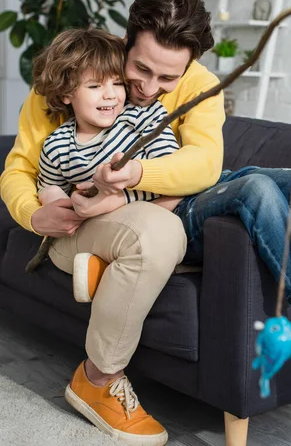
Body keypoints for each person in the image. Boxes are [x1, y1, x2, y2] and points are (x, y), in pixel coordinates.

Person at [0, 0, 291, 445]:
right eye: (140, 70)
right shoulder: (79, 76)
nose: (147, 89)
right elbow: (24, 166)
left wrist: (131, 180)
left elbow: (204, 165)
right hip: (126, 213)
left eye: (167, 79)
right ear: (125, 42)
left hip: (188, 191)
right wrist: (35, 212)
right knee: (243, 195)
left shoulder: (189, 88)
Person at [33, 27, 182, 302]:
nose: (110, 95)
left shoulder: (141, 116)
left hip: (149, 211)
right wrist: (59, 203)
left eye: (117, 83)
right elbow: (49, 183)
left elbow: (171, 173)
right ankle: (106, 267)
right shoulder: (57, 145)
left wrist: (118, 198)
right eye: (95, 86)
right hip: (93, 225)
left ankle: (111, 268)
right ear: (66, 93)